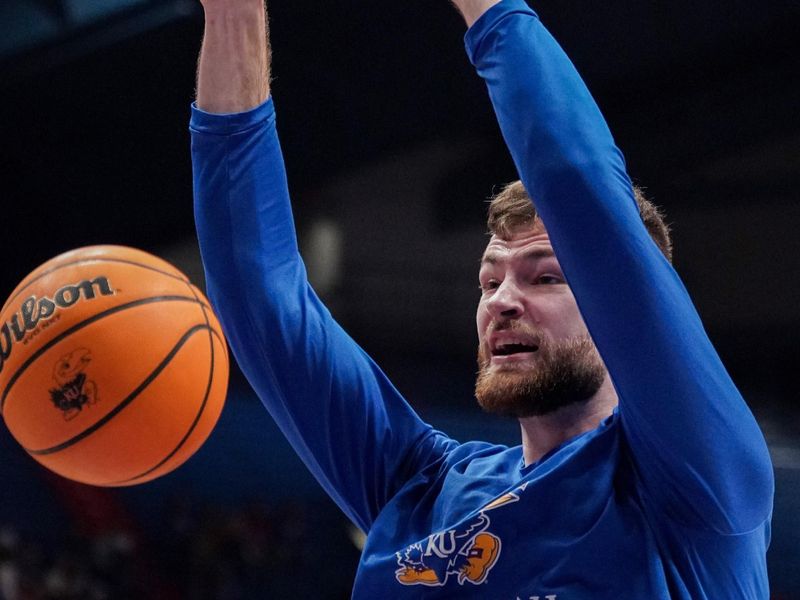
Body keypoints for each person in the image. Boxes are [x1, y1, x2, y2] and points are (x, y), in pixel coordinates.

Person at [190, 0, 774, 597]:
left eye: (545, 276)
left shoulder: (695, 483)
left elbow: (580, 185)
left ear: (620, 304)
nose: (502, 301)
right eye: (489, 281)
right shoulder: (421, 490)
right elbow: (258, 295)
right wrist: (231, 14)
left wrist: (491, 11)